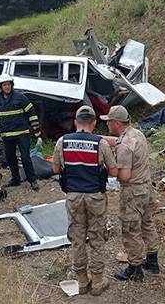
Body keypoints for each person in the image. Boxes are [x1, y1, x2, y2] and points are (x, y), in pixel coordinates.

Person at [52, 106, 117, 296]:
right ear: (94, 123)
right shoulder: (100, 143)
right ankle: (97, 282)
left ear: (75, 122)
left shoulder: (62, 142)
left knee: (77, 238)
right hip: (95, 197)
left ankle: (82, 280)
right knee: (97, 238)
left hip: (73, 196)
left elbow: (56, 170)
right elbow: (113, 172)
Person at [101, 105, 160, 281]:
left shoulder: (125, 147)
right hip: (146, 188)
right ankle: (152, 261)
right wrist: (96, 139)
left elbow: (124, 176)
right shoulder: (137, 134)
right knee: (147, 223)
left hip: (133, 192)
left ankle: (134, 268)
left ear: (117, 123)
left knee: (130, 229)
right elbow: (117, 141)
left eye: (109, 121)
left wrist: (109, 166)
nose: (107, 125)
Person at [0, 74, 40, 190]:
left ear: (12, 85)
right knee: (10, 158)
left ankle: (32, 180)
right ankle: (15, 179)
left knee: (25, 157)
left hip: (22, 133)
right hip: (7, 135)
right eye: (4, 85)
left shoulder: (21, 98)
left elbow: (31, 112)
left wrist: (35, 126)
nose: (7, 87)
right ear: (1, 87)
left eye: (8, 84)